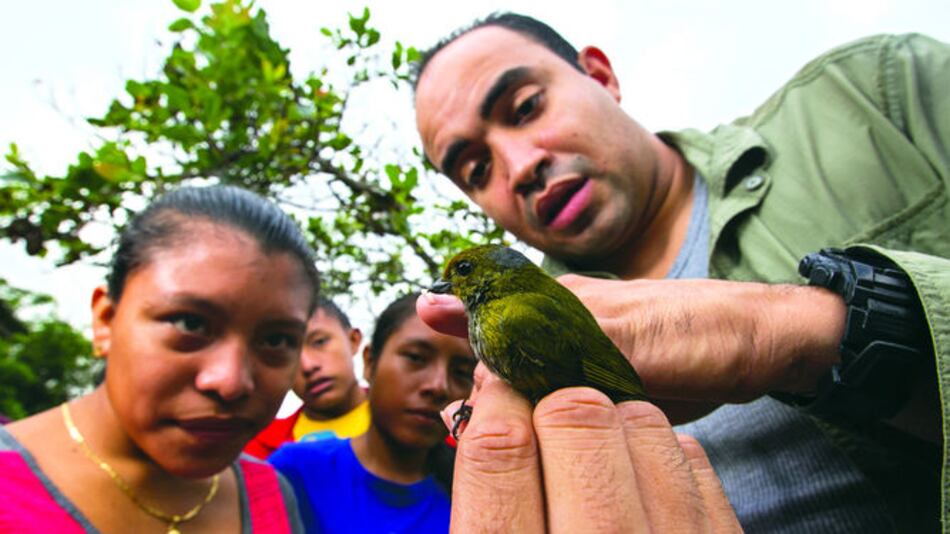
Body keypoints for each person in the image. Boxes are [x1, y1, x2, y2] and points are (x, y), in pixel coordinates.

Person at [412, 12, 948, 533]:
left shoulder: (875, 93)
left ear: (599, 75)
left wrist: (795, 330)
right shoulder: (508, 336)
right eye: (477, 170)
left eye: (526, 107)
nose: (520, 164)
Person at [0, 185, 320, 533]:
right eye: (190, 323)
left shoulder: (268, 495)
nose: (230, 382)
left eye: (276, 340)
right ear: (106, 320)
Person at [269, 293, 477, 533]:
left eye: (461, 372)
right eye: (416, 358)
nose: (438, 386)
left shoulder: (482, 487)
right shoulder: (296, 472)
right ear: (369, 362)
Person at [245, 296, 368, 459]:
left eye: (319, 342)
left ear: (353, 340)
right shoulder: (255, 452)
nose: (307, 365)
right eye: (288, 353)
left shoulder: (406, 423)